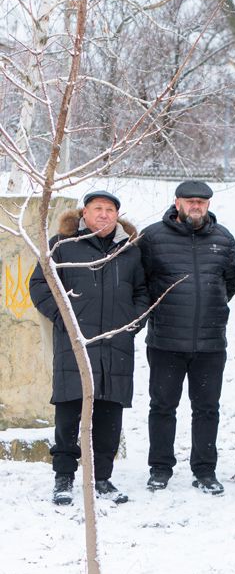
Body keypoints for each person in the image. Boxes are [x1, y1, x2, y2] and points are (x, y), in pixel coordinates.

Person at [31, 191, 148, 506]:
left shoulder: (130, 251)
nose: (105, 215)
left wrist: (132, 323)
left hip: (116, 344)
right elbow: (40, 285)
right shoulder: (62, 244)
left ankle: (103, 479)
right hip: (75, 343)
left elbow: (142, 291)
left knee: (110, 415)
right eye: (98, 209)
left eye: (110, 210)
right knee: (69, 414)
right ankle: (64, 478)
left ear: (117, 215)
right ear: (85, 213)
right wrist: (63, 318)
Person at [141, 180, 235, 495]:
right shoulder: (153, 237)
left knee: (207, 409)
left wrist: (209, 306)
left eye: (201, 201)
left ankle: (205, 471)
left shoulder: (223, 238)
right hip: (166, 341)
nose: (195, 206)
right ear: (177, 202)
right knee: (162, 407)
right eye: (190, 201)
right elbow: (141, 282)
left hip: (210, 343)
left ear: (208, 205)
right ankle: (160, 469)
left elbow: (232, 281)